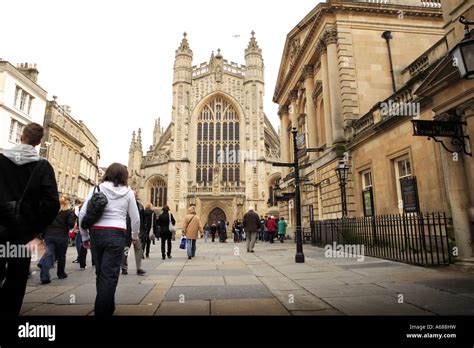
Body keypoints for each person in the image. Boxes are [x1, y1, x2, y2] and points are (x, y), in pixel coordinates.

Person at [0, 123, 59, 316]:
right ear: (39, 141)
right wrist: (36, 230)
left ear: (21, 136)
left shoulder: (1, 160)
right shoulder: (42, 165)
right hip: (23, 235)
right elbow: (51, 204)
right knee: (16, 279)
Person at [79, 163, 140, 317]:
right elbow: (136, 218)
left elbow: (82, 214)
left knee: (101, 273)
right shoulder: (128, 192)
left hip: (96, 234)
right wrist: (134, 236)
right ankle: (103, 311)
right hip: (116, 234)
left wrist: (85, 236)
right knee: (110, 276)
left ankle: (107, 307)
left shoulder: (96, 189)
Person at [39, 196, 75, 284]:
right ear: (67, 203)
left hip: (49, 235)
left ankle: (44, 276)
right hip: (62, 236)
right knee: (62, 256)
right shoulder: (69, 212)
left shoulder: (50, 211)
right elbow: (71, 225)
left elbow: (44, 222)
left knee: (48, 255)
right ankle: (61, 273)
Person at [121, 193, 146, 276]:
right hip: (126, 231)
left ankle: (139, 268)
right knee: (126, 249)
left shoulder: (140, 206)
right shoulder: (125, 205)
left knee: (138, 249)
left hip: (137, 231)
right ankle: (124, 267)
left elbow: (142, 220)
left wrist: (142, 231)